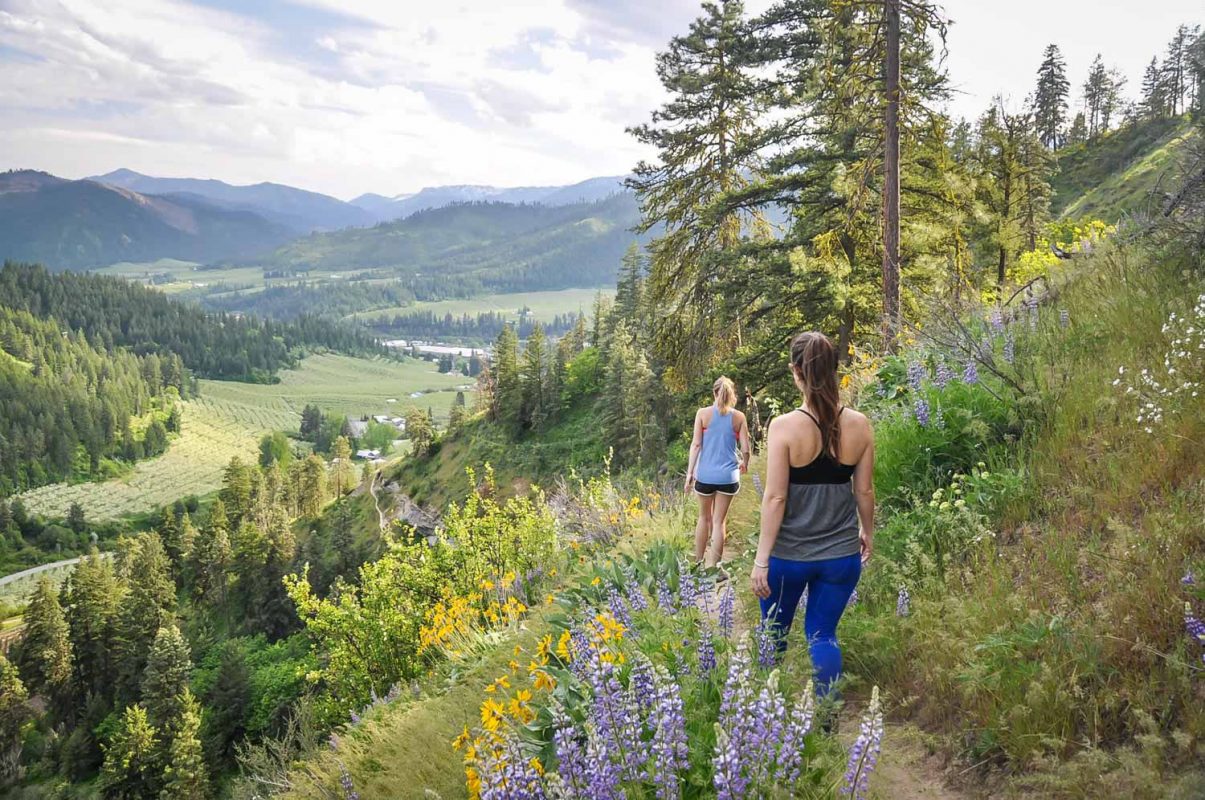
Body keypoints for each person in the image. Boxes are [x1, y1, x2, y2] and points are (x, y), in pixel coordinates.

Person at [750, 331, 875, 699]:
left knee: (773, 635)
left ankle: (765, 714)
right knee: (823, 634)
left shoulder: (784, 427)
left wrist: (761, 560)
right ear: (834, 370)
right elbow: (864, 491)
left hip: (788, 558)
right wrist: (868, 531)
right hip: (840, 556)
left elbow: (774, 497)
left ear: (796, 371)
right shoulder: (860, 424)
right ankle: (826, 718)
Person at [685, 376, 751, 570]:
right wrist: (744, 463)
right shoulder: (739, 417)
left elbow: (696, 444)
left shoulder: (702, 414)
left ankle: (697, 564)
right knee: (719, 521)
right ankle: (715, 567)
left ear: (714, 393)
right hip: (728, 477)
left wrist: (690, 473)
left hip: (705, 475)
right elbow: (745, 448)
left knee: (703, 518)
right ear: (732, 395)